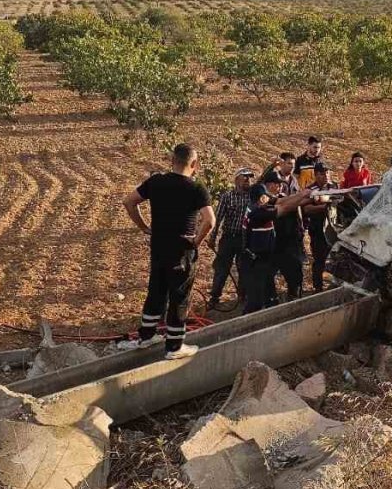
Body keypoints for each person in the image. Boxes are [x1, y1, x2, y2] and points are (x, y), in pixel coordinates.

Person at [124, 144, 215, 359]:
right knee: (179, 296)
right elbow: (209, 221)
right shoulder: (196, 188)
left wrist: (144, 227)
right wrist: (196, 241)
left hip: (158, 247)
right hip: (181, 251)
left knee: (156, 290)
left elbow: (129, 202)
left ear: (172, 161)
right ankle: (174, 347)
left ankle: (146, 337)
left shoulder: (155, 182)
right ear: (194, 165)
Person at [243, 175, 312, 314]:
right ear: (261, 198)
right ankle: (248, 323)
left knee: (269, 294)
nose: (268, 198)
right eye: (265, 196)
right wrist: (304, 195)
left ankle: (269, 310)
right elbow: (284, 207)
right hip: (256, 260)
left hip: (265, 257)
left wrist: (305, 197)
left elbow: (282, 200)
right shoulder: (257, 213)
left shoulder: (259, 204)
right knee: (256, 300)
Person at [208, 167, 255, 310]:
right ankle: (214, 297)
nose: (248, 179)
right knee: (222, 268)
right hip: (228, 237)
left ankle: (243, 296)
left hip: (245, 238)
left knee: (244, 268)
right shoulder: (227, 196)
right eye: (244, 176)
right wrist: (212, 237)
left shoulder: (253, 196)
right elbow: (218, 218)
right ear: (236, 179)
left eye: (249, 177)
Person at [302, 164, 338, 293]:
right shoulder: (310, 190)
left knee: (336, 258)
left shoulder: (334, 187)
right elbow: (306, 209)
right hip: (317, 229)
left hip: (333, 228)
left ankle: (333, 285)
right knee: (319, 259)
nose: (326, 176)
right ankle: (317, 287)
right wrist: (325, 207)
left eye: (328, 173)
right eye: (323, 173)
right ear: (316, 175)